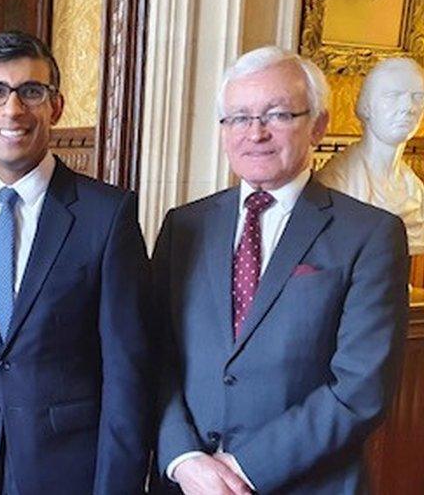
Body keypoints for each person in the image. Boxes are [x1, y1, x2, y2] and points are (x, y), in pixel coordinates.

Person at [153, 46, 409, 495]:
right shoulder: (184, 226)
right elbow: (154, 355)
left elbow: (360, 388)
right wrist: (183, 458)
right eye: (238, 118)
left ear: (318, 126)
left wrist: (242, 468)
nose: (256, 133)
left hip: (310, 484)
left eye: (277, 115)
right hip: (189, 484)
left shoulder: (371, 234)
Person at [0, 31, 152, 494]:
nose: (13, 109)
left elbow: (127, 371)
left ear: (56, 106)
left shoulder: (107, 216)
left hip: (67, 469)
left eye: (31, 92)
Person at [317, 57, 424, 254]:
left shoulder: (416, 190)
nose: (408, 107)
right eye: (393, 95)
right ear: (366, 106)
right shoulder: (335, 184)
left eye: (418, 96)